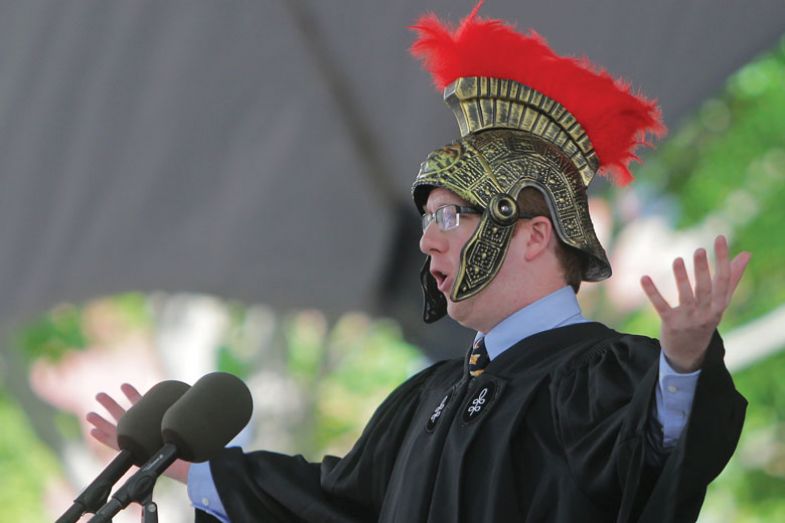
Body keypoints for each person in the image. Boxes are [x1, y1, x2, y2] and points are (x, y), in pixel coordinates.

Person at [88, 4, 750, 521]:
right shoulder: (425, 398)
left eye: (448, 217)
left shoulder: (602, 377)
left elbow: (651, 459)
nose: (427, 242)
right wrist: (192, 469)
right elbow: (335, 504)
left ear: (534, 235)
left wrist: (683, 364)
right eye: (426, 219)